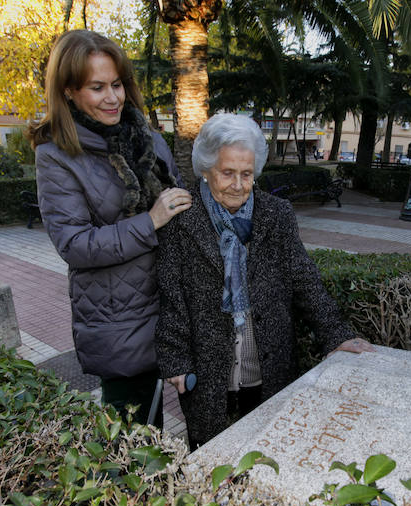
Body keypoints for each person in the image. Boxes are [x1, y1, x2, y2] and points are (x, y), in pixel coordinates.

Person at [155, 113, 373, 449]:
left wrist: (336, 335)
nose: (239, 185)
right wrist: (176, 359)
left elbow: (304, 280)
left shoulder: (277, 214)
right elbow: (172, 294)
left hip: (267, 358)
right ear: (206, 168)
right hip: (208, 365)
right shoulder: (183, 218)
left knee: (268, 449)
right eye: (228, 173)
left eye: (247, 174)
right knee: (211, 454)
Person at [30, 30, 192, 426]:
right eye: (97, 87)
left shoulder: (148, 139)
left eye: (117, 84)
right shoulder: (56, 156)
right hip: (118, 321)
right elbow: (75, 245)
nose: (113, 98)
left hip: (173, 308)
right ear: (69, 91)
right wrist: (151, 220)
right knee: (128, 440)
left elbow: (177, 201)